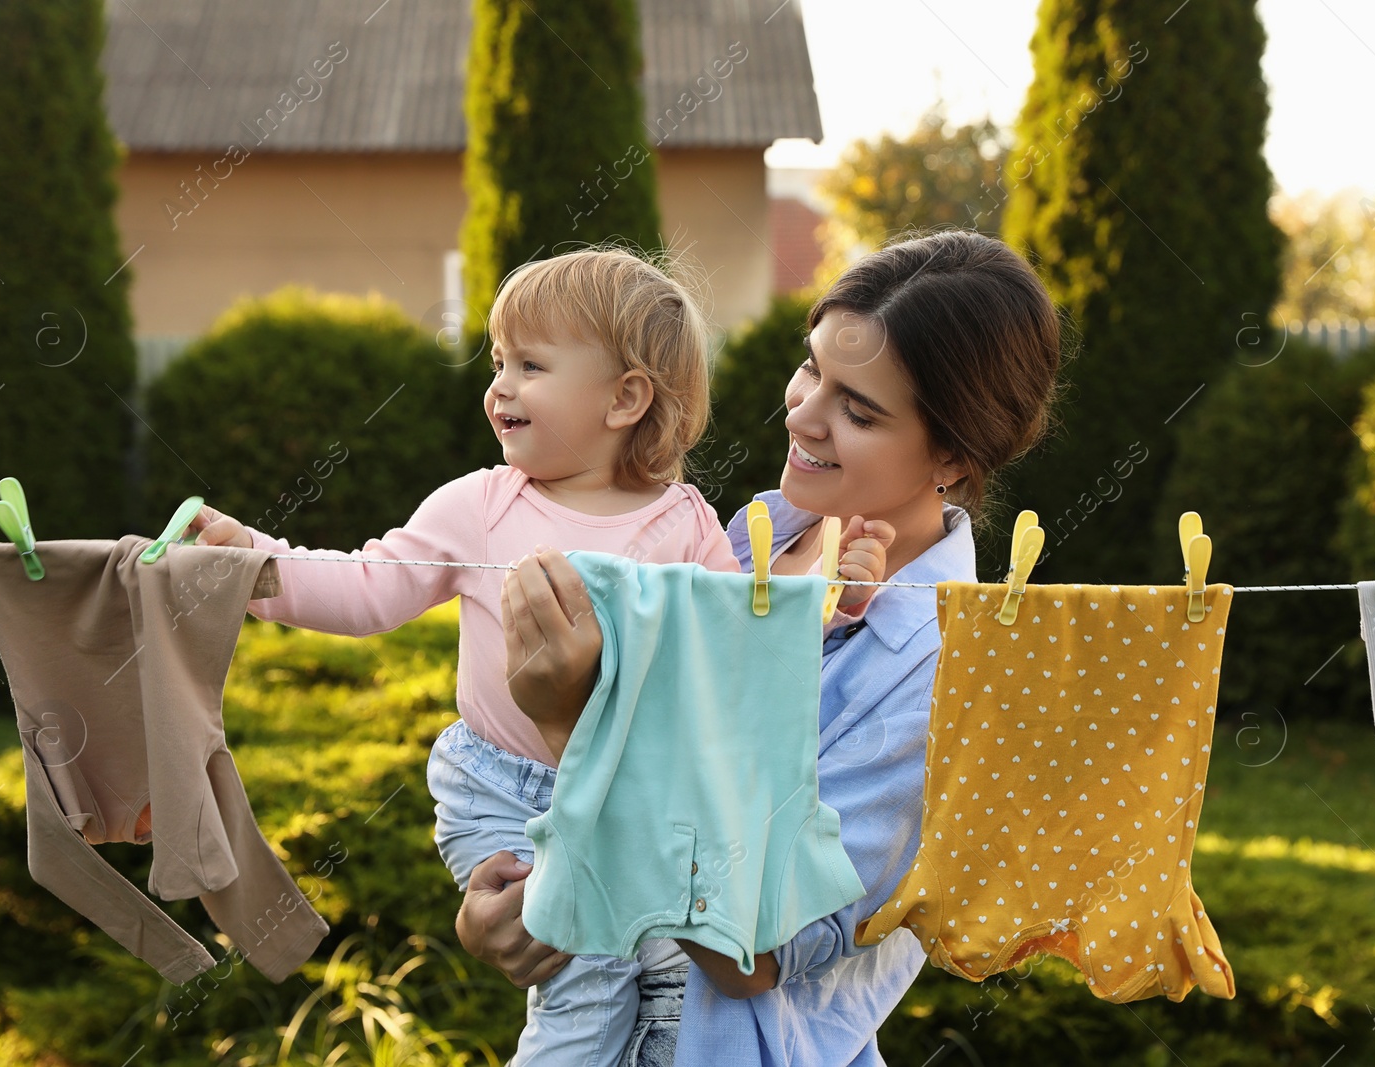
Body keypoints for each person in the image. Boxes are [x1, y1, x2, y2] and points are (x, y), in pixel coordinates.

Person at [185, 246, 894, 1066]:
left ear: (626, 397)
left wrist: (825, 599)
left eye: (530, 364)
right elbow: (368, 586)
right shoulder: (478, 505)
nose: (499, 387)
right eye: (497, 362)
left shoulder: (685, 523)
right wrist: (253, 563)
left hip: (637, 792)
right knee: (585, 976)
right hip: (503, 787)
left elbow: (735, 654)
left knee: (675, 970)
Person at [457, 230, 1066, 1066]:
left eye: (858, 409)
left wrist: (576, 732)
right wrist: (505, 899)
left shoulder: (939, 673)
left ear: (954, 456)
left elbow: (755, 953)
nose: (803, 412)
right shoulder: (729, 545)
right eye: (812, 367)